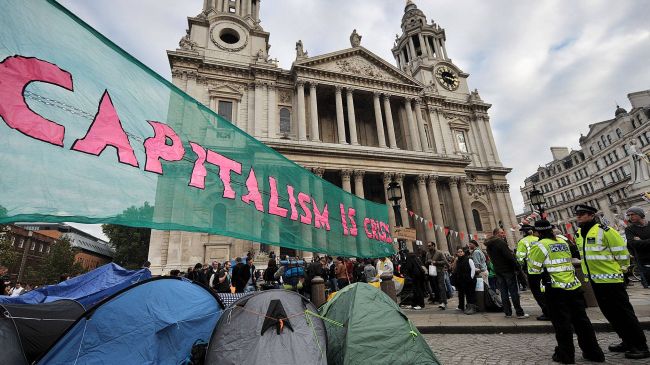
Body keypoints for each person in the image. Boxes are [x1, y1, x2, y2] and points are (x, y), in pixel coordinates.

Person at [574, 204, 649, 359]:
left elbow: (621, 252)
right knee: (611, 314)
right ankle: (626, 341)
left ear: (591, 215)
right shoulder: (579, 234)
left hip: (612, 280)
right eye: (578, 214)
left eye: (582, 214)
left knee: (625, 314)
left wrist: (621, 271)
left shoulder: (606, 231)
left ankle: (640, 345)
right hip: (595, 281)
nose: (578, 217)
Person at [528, 219, 604, 364]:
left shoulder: (540, 246)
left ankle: (566, 355)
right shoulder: (563, 243)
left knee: (562, 324)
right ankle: (594, 353)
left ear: (537, 232)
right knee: (582, 322)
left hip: (556, 290)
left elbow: (533, 271)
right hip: (574, 287)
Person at [485, 228, 529, 319]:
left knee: (504, 292)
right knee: (513, 292)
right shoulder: (500, 242)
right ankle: (519, 312)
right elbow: (509, 257)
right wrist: (517, 267)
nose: (504, 234)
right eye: (502, 233)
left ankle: (507, 312)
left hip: (498, 270)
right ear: (496, 234)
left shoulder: (489, 245)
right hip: (507, 270)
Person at [515, 224, 549, 321]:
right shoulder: (539, 239)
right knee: (546, 290)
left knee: (537, 292)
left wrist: (522, 265)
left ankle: (546, 311)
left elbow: (520, 258)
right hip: (545, 269)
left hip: (532, 270)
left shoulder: (523, 242)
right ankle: (551, 309)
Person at [625, 206, 650, 288]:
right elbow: (633, 243)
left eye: (632, 214)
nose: (630, 217)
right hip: (644, 261)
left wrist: (640, 240)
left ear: (640, 214)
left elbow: (638, 243)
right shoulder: (629, 229)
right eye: (629, 215)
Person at [454, 247, 478, 314]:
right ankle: (468, 307)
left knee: (471, 294)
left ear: (463, 252)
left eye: (461, 251)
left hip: (470, 280)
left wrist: (471, 277)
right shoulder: (458, 261)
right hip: (463, 280)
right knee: (467, 294)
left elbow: (473, 269)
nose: (460, 253)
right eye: (459, 252)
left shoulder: (469, 260)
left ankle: (473, 308)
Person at [425, 242, 448, 309]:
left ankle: (444, 302)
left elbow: (444, 261)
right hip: (432, 272)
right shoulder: (427, 253)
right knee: (435, 287)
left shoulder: (439, 253)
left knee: (441, 286)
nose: (428, 247)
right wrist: (428, 261)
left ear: (434, 246)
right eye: (428, 246)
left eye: (430, 246)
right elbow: (425, 262)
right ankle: (439, 300)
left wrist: (436, 262)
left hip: (440, 271)